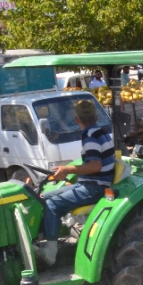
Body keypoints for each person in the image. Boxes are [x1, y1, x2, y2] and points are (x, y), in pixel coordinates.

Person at [35, 100, 115, 265]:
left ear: (76, 120)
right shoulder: (101, 132)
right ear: (96, 116)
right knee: (42, 196)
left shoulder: (90, 136)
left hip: (95, 187)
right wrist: (67, 170)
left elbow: (95, 165)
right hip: (90, 183)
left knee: (52, 205)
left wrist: (67, 170)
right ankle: (47, 239)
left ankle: (50, 252)